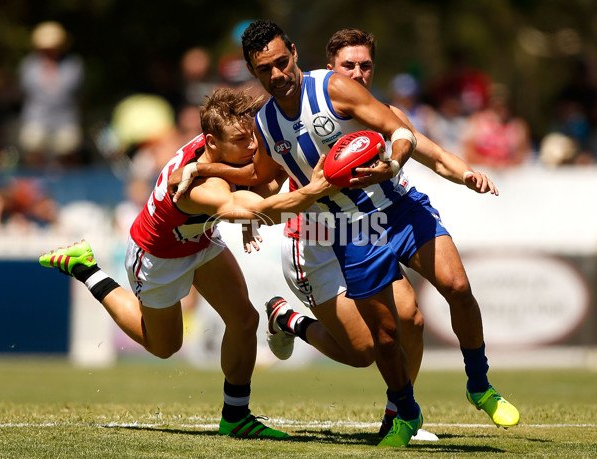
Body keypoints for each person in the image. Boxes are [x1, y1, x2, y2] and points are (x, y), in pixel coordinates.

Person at [170, 20, 520, 448]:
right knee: (385, 336)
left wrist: (395, 164)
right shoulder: (265, 123)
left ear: (295, 52)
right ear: (252, 70)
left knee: (458, 287)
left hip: (399, 208)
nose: (277, 74)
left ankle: (479, 384)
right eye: (266, 69)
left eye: (282, 62)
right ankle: (405, 412)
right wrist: (203, 167)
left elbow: (400, 131)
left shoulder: (334, 88)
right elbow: (257, 174)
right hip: (348, 230)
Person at [38, 88, 335, 439]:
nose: (252, 146)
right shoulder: (197, 186)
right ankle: (87, 269)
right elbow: (241, 206)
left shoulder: (222, 147)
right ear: (211, 141)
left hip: (199, 238)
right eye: (242, 140)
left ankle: (236, 416)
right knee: (165, 347)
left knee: (244, 319)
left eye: (251, 136)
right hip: (157, 254)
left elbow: (258, 183)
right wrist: (315, 188)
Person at [18, 21, 85, 167]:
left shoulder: (73, 65)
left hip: (65, 117)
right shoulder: (29, 66)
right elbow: (26, 90)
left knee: (68, 147)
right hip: (36, 117)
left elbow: (73, 89)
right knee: (33, 144)